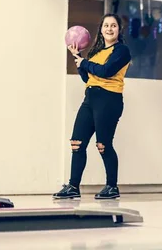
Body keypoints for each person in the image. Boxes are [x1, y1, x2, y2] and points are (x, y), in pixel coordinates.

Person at [53, 14, 131, 200]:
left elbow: (106, 71)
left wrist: (85, 62)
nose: (109, 29)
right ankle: (73, 186)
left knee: (103, 145)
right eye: (106, 25)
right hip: (90, 99)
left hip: (109, 100)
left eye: (113, 26)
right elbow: (88, 78)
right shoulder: (96, 52)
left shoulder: (122, 51)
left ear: (119, 30)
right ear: (101, 29)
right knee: (76, 143)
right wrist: (78, 57)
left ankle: (112, 187)